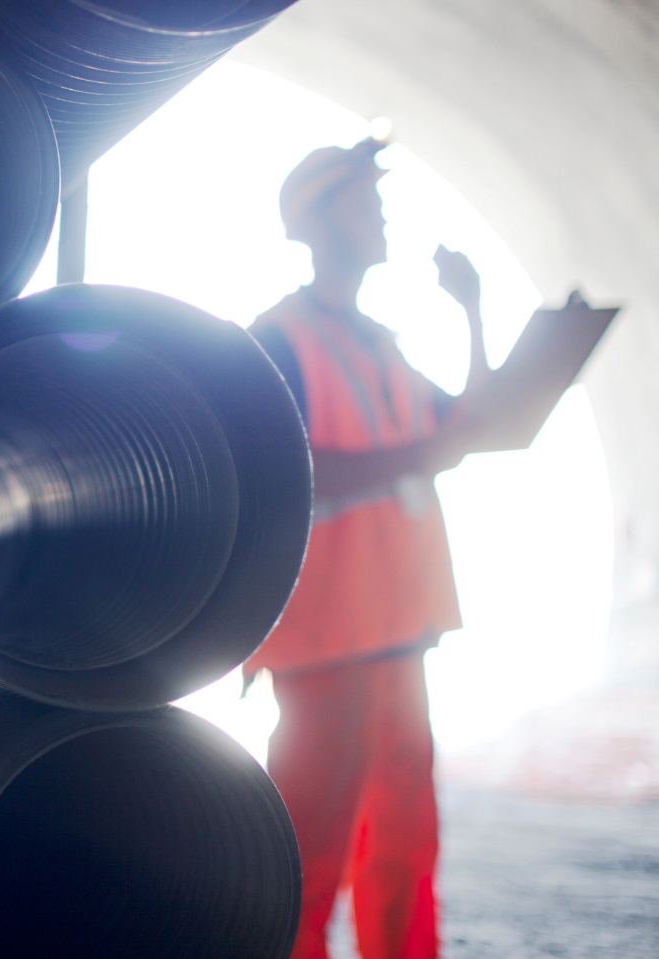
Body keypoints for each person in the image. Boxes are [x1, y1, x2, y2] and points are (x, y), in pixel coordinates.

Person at [244, 137, 488, 959]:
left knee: (404, 852)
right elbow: (283, 469)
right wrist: (415, 458)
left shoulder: (378, 341)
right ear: (313, 222)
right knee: (305, 858)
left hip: (396, 628)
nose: (380, 213)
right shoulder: (277, 338)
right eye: (363, 199)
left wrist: (473, 312)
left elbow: (469, 428)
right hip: (323, 641)